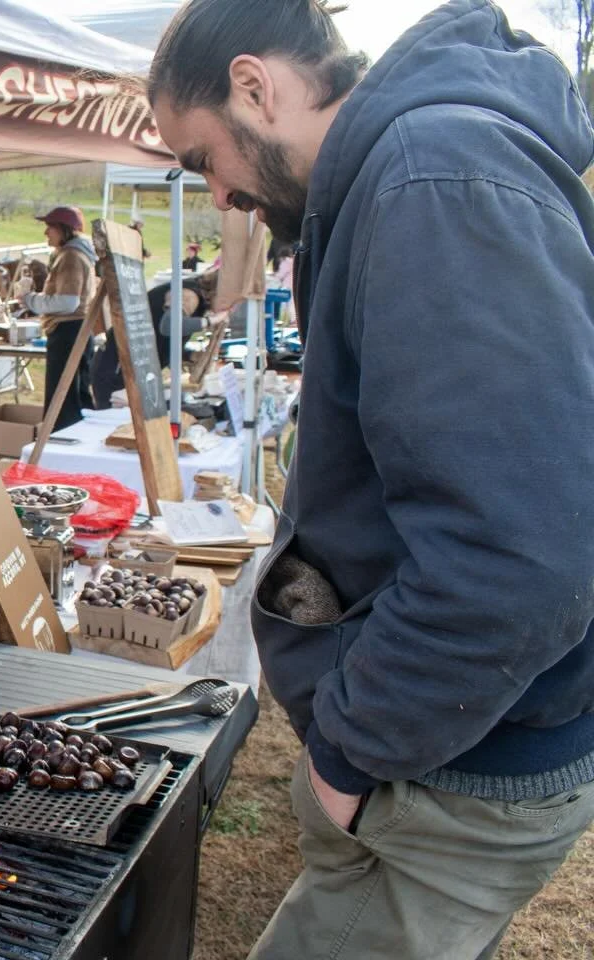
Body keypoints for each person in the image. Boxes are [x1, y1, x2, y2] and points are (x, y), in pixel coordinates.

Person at [149, 1, 594, 957]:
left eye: (201, 161)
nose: (218, 198)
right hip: (435, 756)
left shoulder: (433, 183)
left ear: (254, 87)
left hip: (450, 772)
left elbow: (521, 556)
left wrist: (354, 752)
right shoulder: (399, 180)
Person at [19, 206, 97, 431]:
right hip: (77, 330)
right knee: (77, 396)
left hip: (68, 331)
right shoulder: (76, 253)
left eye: (50, 228)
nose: (46, 233)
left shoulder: (71, 256)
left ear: (64, 230)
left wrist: (30, 300)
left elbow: (67, 302)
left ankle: (61, 446)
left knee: (63, 400)